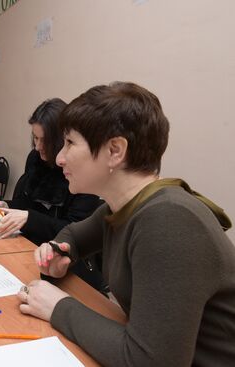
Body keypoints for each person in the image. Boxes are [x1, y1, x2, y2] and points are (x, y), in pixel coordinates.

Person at [18, 82, 235, 366]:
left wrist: (58, 306)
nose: (59, 158)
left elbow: (151, 361)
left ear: (115, 151)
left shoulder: (168, 220)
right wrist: (60, 251)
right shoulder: (122, 206)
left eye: (70, 143)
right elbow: (74, 236)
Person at [0, 99, 104, 291]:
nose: (38, 146)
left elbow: (75, 230)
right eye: (35, 138)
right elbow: (26, 203)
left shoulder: (81, 173)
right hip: (28, 247)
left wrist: (29, 218)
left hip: (61, 260)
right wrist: (7, 206)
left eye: (45, 140)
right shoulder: (35, 159)